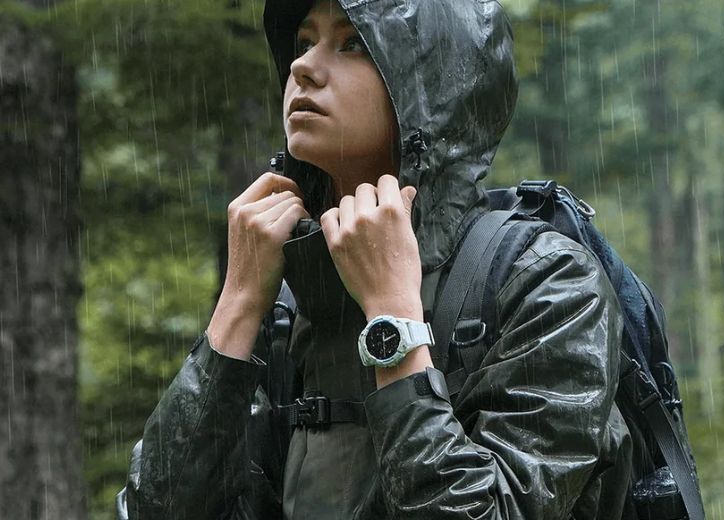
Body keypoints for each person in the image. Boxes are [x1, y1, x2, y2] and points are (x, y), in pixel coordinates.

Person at [117, 0, 633, 518]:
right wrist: (239, 301)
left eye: (352, 44)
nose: (303, 67)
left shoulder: (546, 282)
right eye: (303, 43)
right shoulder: (289, 300)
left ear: (431, 86)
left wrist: (393, 325)